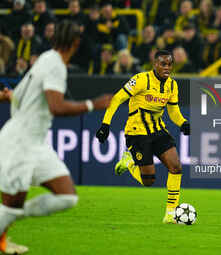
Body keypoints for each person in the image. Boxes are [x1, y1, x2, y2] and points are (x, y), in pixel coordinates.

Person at [0, 20, 111, 254]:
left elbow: (20, 93)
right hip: (19, 141)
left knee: (67, 198)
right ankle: (4, 236)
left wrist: (10, 97)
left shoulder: (45, 57)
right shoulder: (56, 66)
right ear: (76, 43)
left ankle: (11, 219)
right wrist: (95, 104)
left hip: (34, 143)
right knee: (12, 202)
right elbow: (56, 107)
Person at [96, 50, 190, 224]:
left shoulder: (172, 85)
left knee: (176, 166)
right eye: (163, 64)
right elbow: (117, 99)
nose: (167, 68)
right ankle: (130, 161)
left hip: (158, 130)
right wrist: (105, 124)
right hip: (137, 132)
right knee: (149, 181)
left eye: (170, 64)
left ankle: (170, 213)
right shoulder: (141, 79)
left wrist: (183, 122)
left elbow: (173, 111)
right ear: (155, 64)